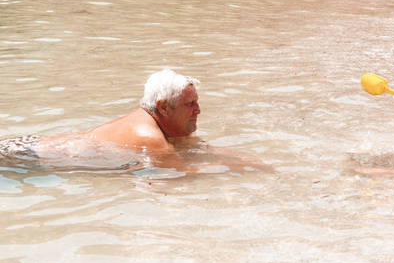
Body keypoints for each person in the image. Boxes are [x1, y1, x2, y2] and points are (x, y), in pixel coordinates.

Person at [1, 69, 263, 173]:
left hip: (32, 146)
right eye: (190, 104)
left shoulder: (156, 123)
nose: (198, 110)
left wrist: (240, 156)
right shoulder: (151, 138)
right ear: (162, 107)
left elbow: (193, 147)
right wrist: (234, 167)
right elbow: (182, 175)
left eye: (196, 102)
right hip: (26, 156)